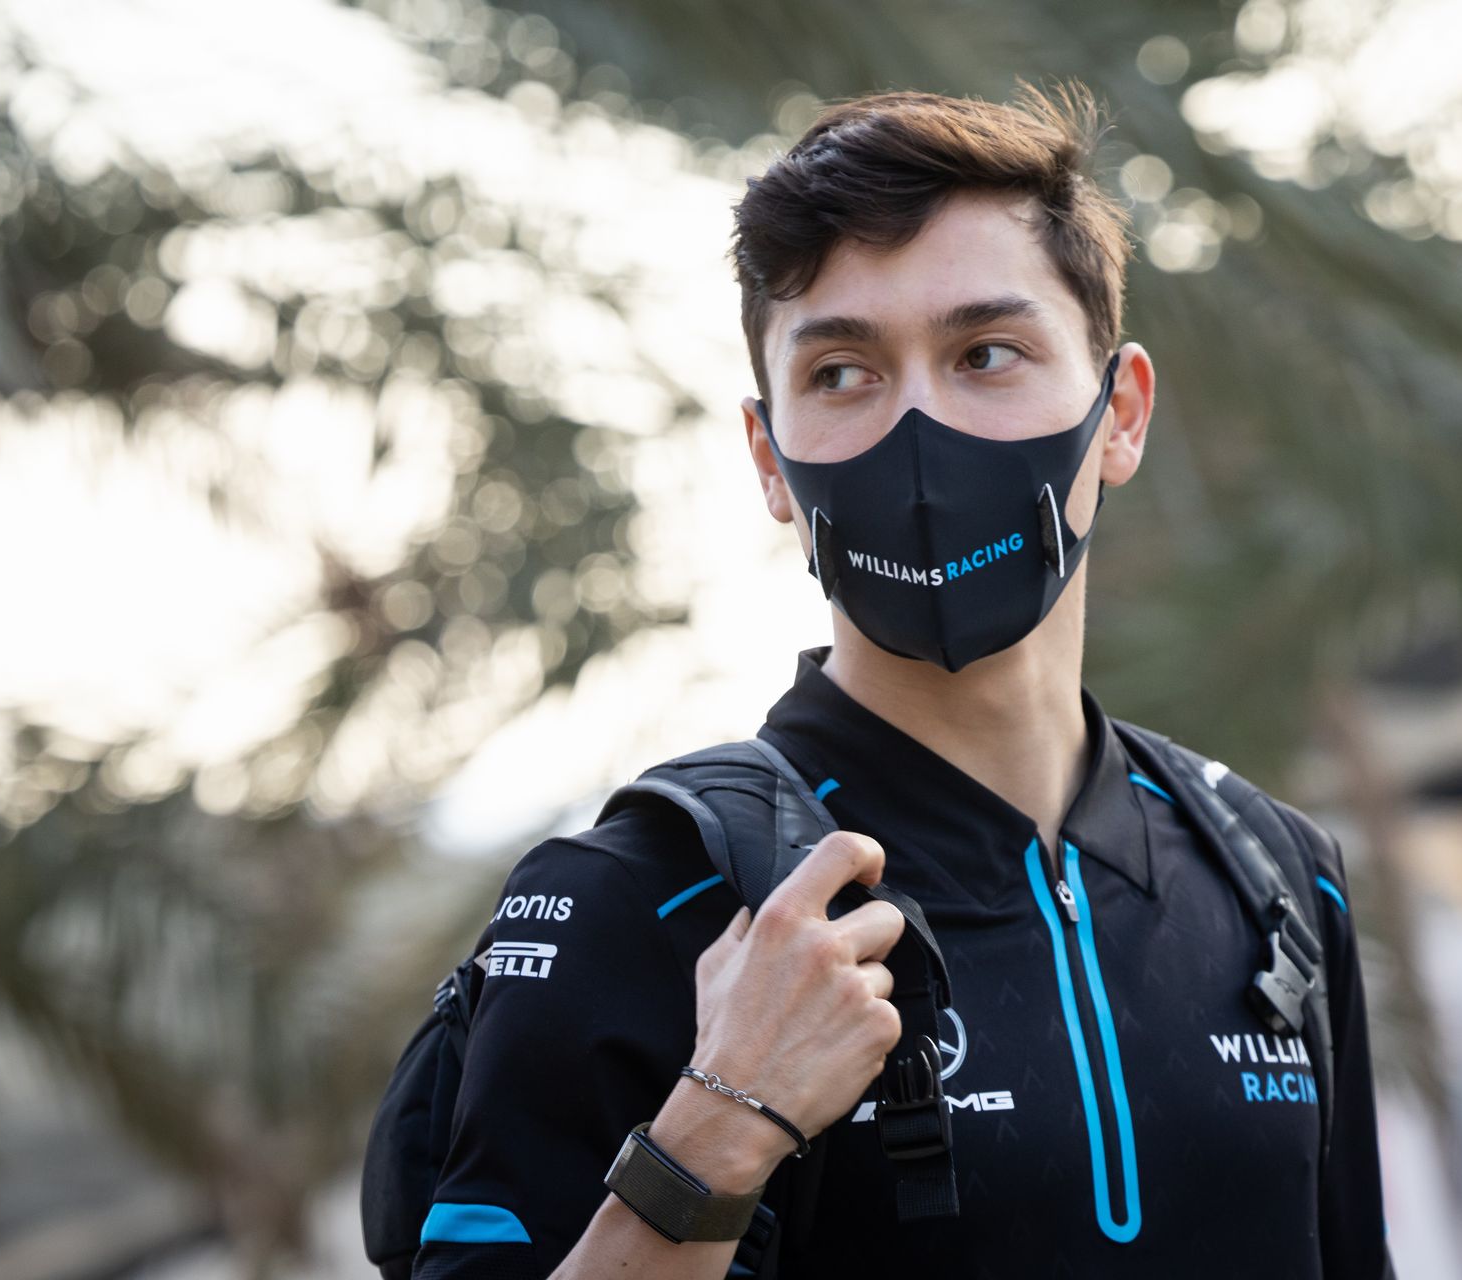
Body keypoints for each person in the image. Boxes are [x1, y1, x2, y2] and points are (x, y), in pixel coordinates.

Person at [411, 80, 1396, 1279]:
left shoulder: (1275, 876)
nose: (920, 429)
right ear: (771, 462)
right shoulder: (639, 897)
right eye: (842, 372)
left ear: (1121, 415)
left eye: (987, 353)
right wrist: (717, 1127)